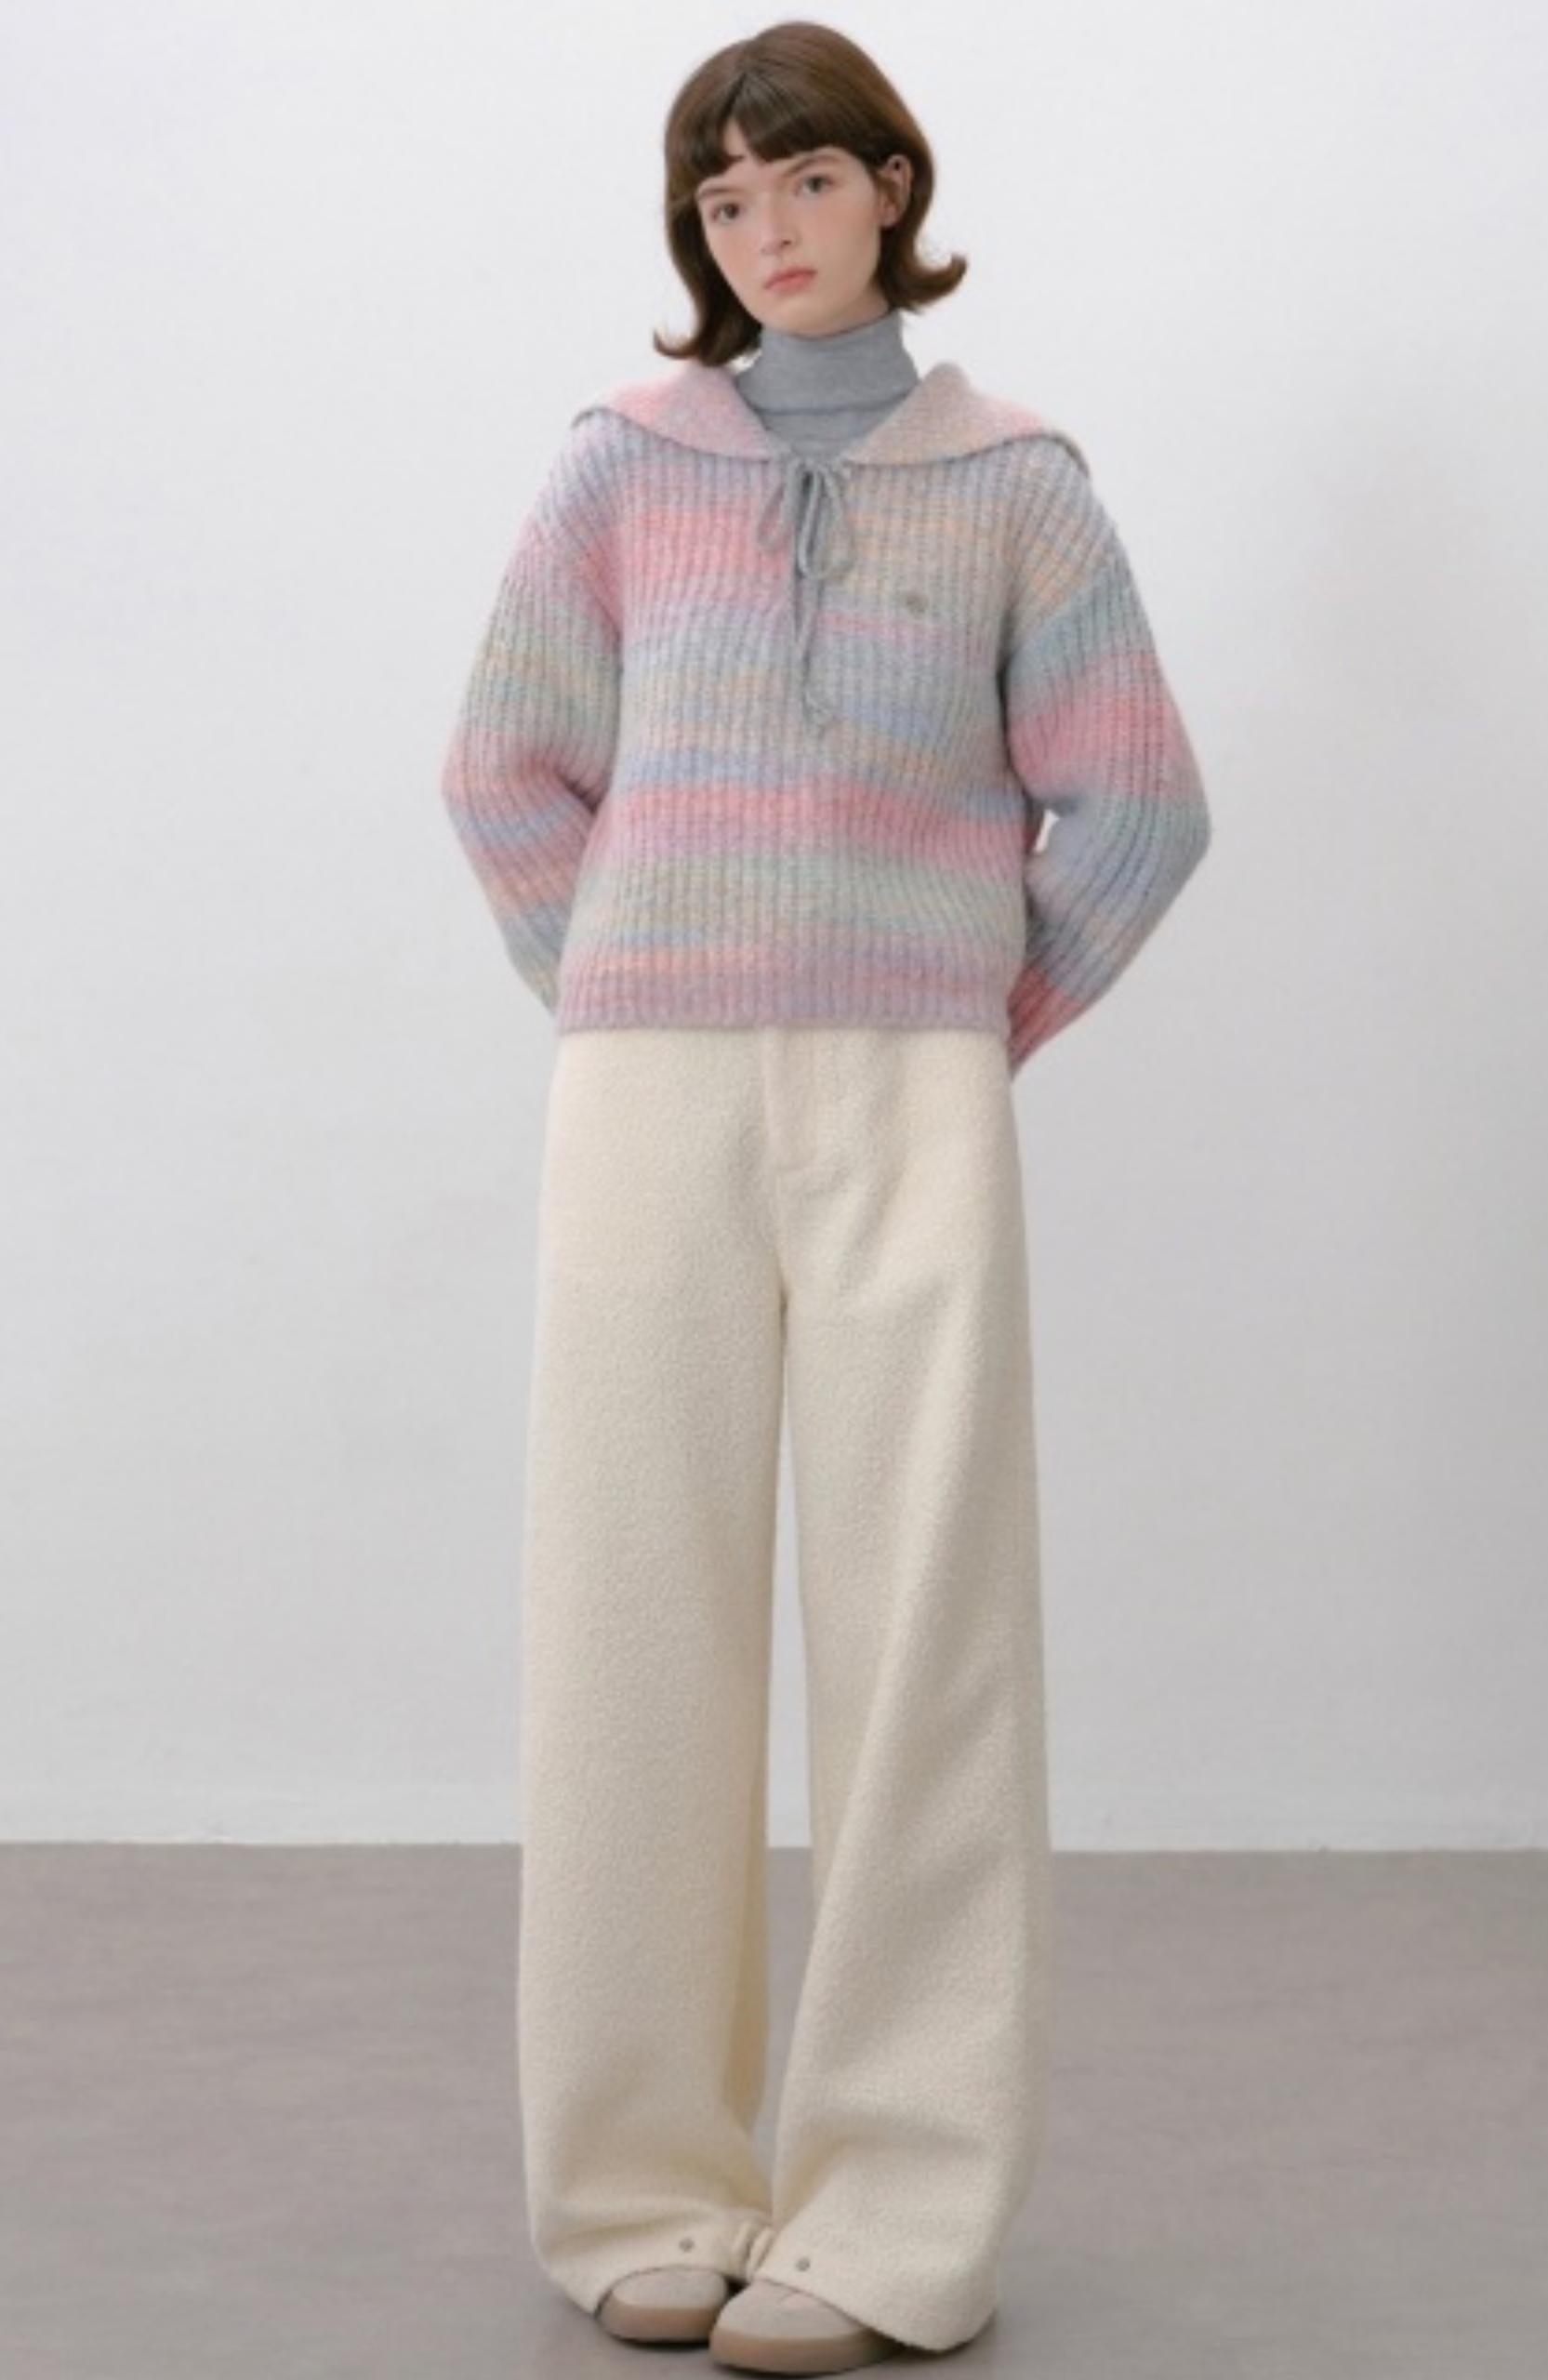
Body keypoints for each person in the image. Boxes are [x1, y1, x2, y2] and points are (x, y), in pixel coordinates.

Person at [439, 21, 1211, 2374]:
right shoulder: (618, 465)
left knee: (925, 1631)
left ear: (890, 185)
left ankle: (894, 2207)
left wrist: (968, 1016)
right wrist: (626, 982)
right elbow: (501, 763)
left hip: (908, 1088)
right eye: (721, 199)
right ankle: (637, 2181)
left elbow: (1139, 799)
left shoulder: (1017, 483)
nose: (761, 229)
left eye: (798, 182)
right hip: (646, 1092)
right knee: (628, 1608)